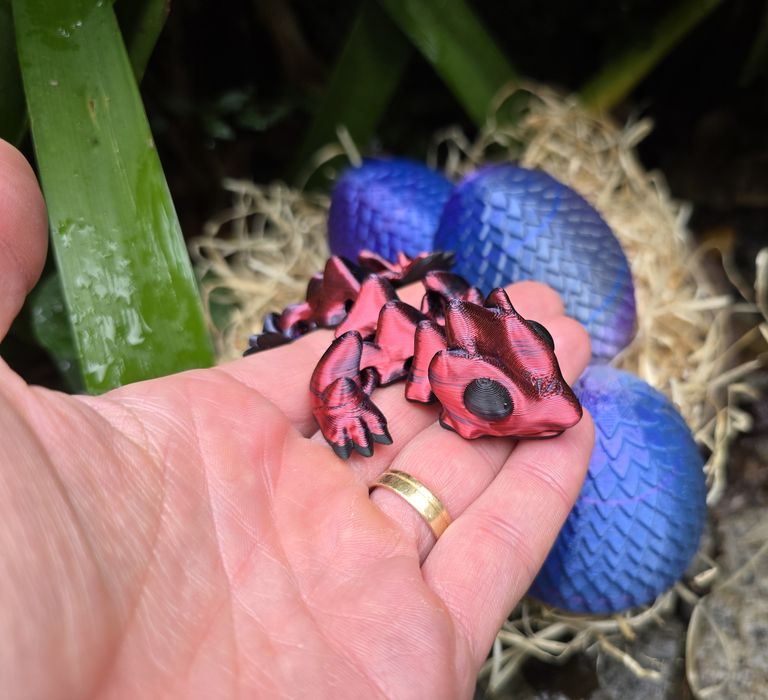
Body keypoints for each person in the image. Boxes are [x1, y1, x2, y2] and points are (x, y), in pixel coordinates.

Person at [0, 139, 594, 699]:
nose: (557, 410)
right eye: (498, 399)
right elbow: (349, 346)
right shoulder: (389, 339)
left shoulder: (454, 333)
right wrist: (340, 403)